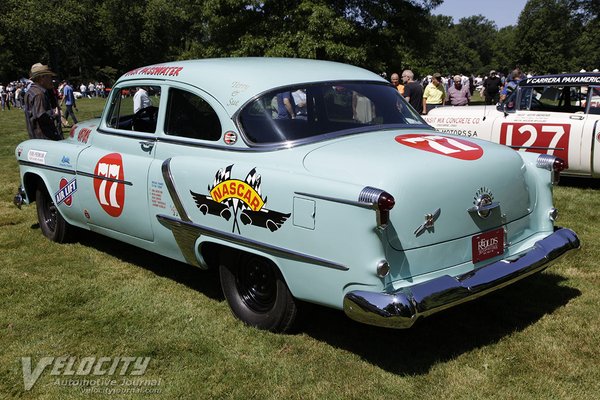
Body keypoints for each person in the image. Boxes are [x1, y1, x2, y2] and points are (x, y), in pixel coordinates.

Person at [23, 63, 62, 140]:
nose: (51, 80)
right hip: (45, 138)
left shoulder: (31, 91)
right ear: (42, 78)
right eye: (49, 77)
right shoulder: (39, 94)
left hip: (36, 137)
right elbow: (41, 115)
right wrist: (54, 113)